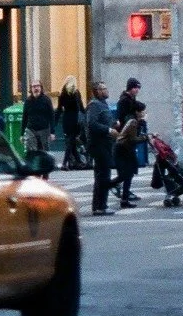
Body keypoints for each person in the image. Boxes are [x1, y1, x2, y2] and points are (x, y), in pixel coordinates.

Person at [84, 83, 116, 215]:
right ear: (97, 91)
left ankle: (99, 205)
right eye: (103, 89)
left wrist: (114, 123)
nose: (106, 90)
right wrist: (108, 129)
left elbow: (105, 120)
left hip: (105, 144)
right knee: (103, 175)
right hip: (98, 144)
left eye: (106, 88)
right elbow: (92, 124)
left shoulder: (103, 104)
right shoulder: (94, 105)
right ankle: (100, 206)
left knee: (103, 174)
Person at [114, 78, 146, 208]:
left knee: (130, 171)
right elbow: (139, 107)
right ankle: (114, 187)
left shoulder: (129, 100)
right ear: (130, 88)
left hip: (127, 141)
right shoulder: (125, 101)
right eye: (135, 87)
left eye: (138, 88)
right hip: (125, 141)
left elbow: (139, 106)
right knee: (127, 171)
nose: (137, 90)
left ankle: (124, 195)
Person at [22, 81, 56, 174]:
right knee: (32, 152)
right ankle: (34, 173)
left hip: (44, 129)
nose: (36, 88)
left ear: (41, 88)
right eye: (33, 86)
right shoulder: (28, 101)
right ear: (31, 89)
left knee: (44, 152)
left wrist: (52, 132)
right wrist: (22, 134)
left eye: (37, 86)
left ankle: (45, 174)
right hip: (31, 130)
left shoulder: (46, 100)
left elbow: (51, 116)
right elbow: (24, 117)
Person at [57, 76, 86, 171]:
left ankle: (78, 161)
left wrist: (55, 121)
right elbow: (81, 107)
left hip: (66, 119)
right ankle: (65, 163)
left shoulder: (62, 94)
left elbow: (59, 109)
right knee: (70, 141)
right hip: (75, 119)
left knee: (71, 141)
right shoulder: (76, 93)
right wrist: (86, 114)